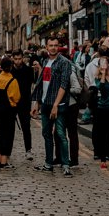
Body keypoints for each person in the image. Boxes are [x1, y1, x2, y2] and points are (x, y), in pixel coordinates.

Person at [31, 36, 73, 177]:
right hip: (45, 103)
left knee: (60, 134)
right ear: (47, 47)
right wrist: (37, 103)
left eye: (56, 45)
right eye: (51, 45)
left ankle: (66, 164)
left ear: (59, 47)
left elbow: (64, 84)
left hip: (59, 104)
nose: (53, 47)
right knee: (46, 134)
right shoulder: (45, 61)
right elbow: (42, 84)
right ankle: (48, 163)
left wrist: (56, 104)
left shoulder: (64, 63)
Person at [0, 58, 20, 169]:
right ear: (11, 67)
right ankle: (4, 162)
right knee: (8, 136)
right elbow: (16, 98)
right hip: (8, 111)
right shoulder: (13, 81)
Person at [11, 49, 35, 160]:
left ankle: (28, 150)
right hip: (11, 103)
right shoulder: (9, 70)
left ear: (22, 58)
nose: (18, 61)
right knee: (10, 128)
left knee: (26, 127)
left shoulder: (29, 70)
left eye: (19, 59)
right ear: (12, 58)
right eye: (15, 59)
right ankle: (8, 151)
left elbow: (32, 87)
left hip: (25, 102)